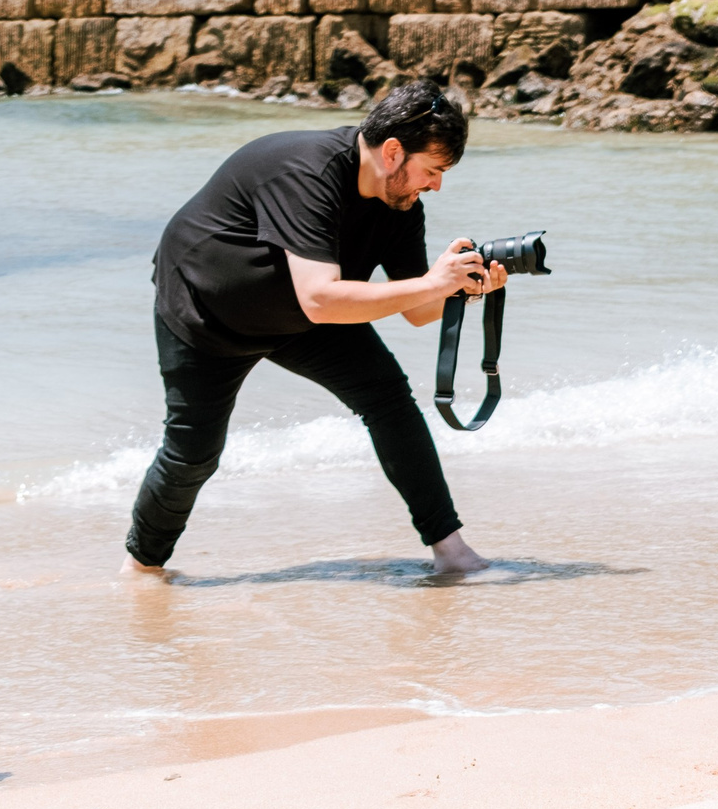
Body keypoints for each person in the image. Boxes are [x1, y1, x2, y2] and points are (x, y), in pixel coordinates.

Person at [126, 81, 507, 578]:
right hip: (207, 311)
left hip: (304, 315)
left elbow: (417, 310)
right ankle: (141, 571)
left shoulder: (400, 206)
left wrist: (466, 288)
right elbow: (320, 297)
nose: (436, 186)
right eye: (432, 170)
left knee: (388, 400)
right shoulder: (308, 172)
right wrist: (434, 283)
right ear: (393, 152)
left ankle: (452, 551)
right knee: (193, 453)